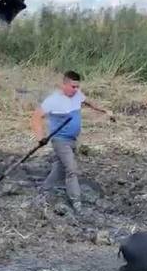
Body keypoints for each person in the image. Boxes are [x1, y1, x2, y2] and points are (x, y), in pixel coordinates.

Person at [30, 70, 113, 214]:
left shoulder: (77, 95)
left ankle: (45, 189)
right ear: (64, 85)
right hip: (60, 140)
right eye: (73, 87)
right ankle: (76, 202)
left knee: (60, 168)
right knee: (71, 169)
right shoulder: (53, 100)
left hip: (73, 140)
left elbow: (88, 102)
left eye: (77, 87)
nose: (76, 90)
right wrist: (40, 137)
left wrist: (104, 110)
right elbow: (36, 117)